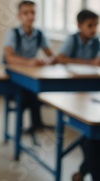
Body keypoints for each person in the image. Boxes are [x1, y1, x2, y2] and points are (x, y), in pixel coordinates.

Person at [56, 9, 100, 181]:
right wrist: (89, 63)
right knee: (92, 141)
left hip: (92, 94)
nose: (93, 29)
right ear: (79, 26)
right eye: (90, 25)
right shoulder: (72, 39)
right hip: (73, 94)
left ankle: (81, 173)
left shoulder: (97, 41)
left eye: (96, 25)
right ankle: (82, 173)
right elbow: (61, 58)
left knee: (92, 141)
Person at [3, 0, 55, 132]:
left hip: (32, 77)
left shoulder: (39, 34)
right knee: (29, 96)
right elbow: (9, 57)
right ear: (19, 16)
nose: (30, 16)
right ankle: (31, 127)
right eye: (26, 13)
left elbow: (52, 57)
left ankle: (35, 126)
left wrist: (46, 61)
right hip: (15, 78)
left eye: (33, 12)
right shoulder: (13, 33)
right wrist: (29, 62)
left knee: (36, 93)